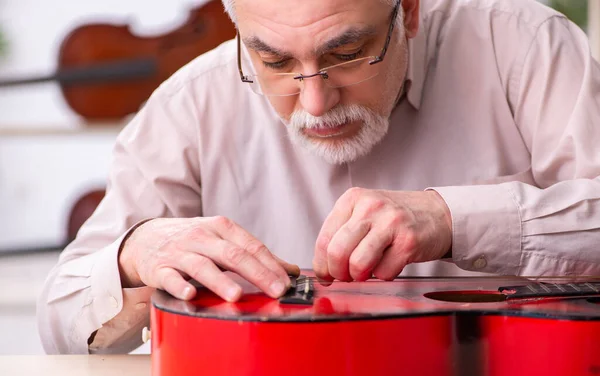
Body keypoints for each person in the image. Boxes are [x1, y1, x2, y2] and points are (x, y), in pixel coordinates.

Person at [38, 0, 600, 354]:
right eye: (275, 62)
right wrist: (132, 255)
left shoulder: (525, 44)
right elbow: (59, 323)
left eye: (348, 53)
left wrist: (454, 218)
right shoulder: (191, 104)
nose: (314, 100)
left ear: (407, 11)